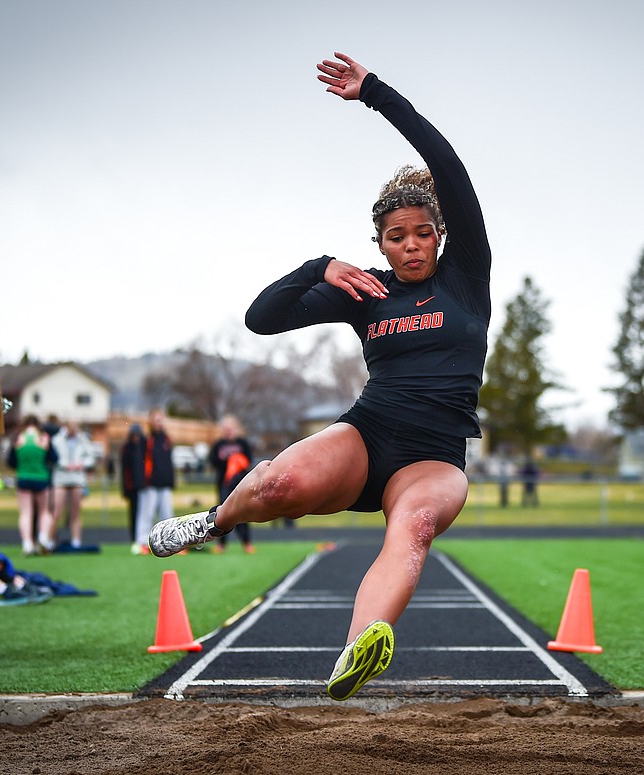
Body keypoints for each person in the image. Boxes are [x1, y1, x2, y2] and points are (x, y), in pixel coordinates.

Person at [149, 52, 491, 702]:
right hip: (368, 436)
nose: (413, 244)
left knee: (412, 525)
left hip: (435, 458)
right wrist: (320, 266)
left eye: (424, 233)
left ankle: (359, 647)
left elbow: (446, 161)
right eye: (397, 236)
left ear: (441, 235)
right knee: (277, 482)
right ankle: (215, 523)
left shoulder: (467, 277)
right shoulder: (365, 291)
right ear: (381, 243)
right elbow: (260, 319)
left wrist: (375, 94)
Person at [9, 415, 56, 556]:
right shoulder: (43, 437)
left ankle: (27, 543)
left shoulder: (19, 437)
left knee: (25, 513)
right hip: (41, 478)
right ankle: (43, 537)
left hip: (23, 478)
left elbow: (11, 462)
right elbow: (54, 458)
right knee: (44, 512)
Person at [207, 415, 256, 553]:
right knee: (222, 513)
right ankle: (221, 544)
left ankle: (246, 542)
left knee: (242, 512)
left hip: (240, 484)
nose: (229, 431)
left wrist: (237, 462)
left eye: (231, 428)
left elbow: (248, 461)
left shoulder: (242, 443)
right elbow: (212, 461)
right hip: (223, 484)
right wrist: (225, 461)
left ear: (236, 429)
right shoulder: (218, 444)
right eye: (226, 429)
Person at [133, 409, 175, 554]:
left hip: (164, 484)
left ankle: (170, 543)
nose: (159, 422)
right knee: (147, 514)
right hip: (149, 485)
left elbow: (169, 462)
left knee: (167, 515)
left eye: (161, 419)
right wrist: (141, 482)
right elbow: (140, 463)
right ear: (150, 421)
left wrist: (171, 480)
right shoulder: (146, 440)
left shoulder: (166, 440)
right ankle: (142, 542)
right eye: (156, 419)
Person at [50, 419, 96, 549]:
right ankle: (50, 541)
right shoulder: (57, 440)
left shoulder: (82, 440)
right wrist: (66, 465)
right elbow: (54, 457)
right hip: (61, 478)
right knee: (56, 512)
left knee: (75, 513)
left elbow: (90, 457)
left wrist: (81, 464)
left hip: (77, 479)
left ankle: (76, 542)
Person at [119, 422, 146, 550]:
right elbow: (125, 470)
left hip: (144, 486)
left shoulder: (144, 447)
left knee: (145, 513)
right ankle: (134, 538)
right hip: (132, 488)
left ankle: (144, 538)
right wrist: (125, 488)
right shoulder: (127, 448)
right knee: (134, 514)